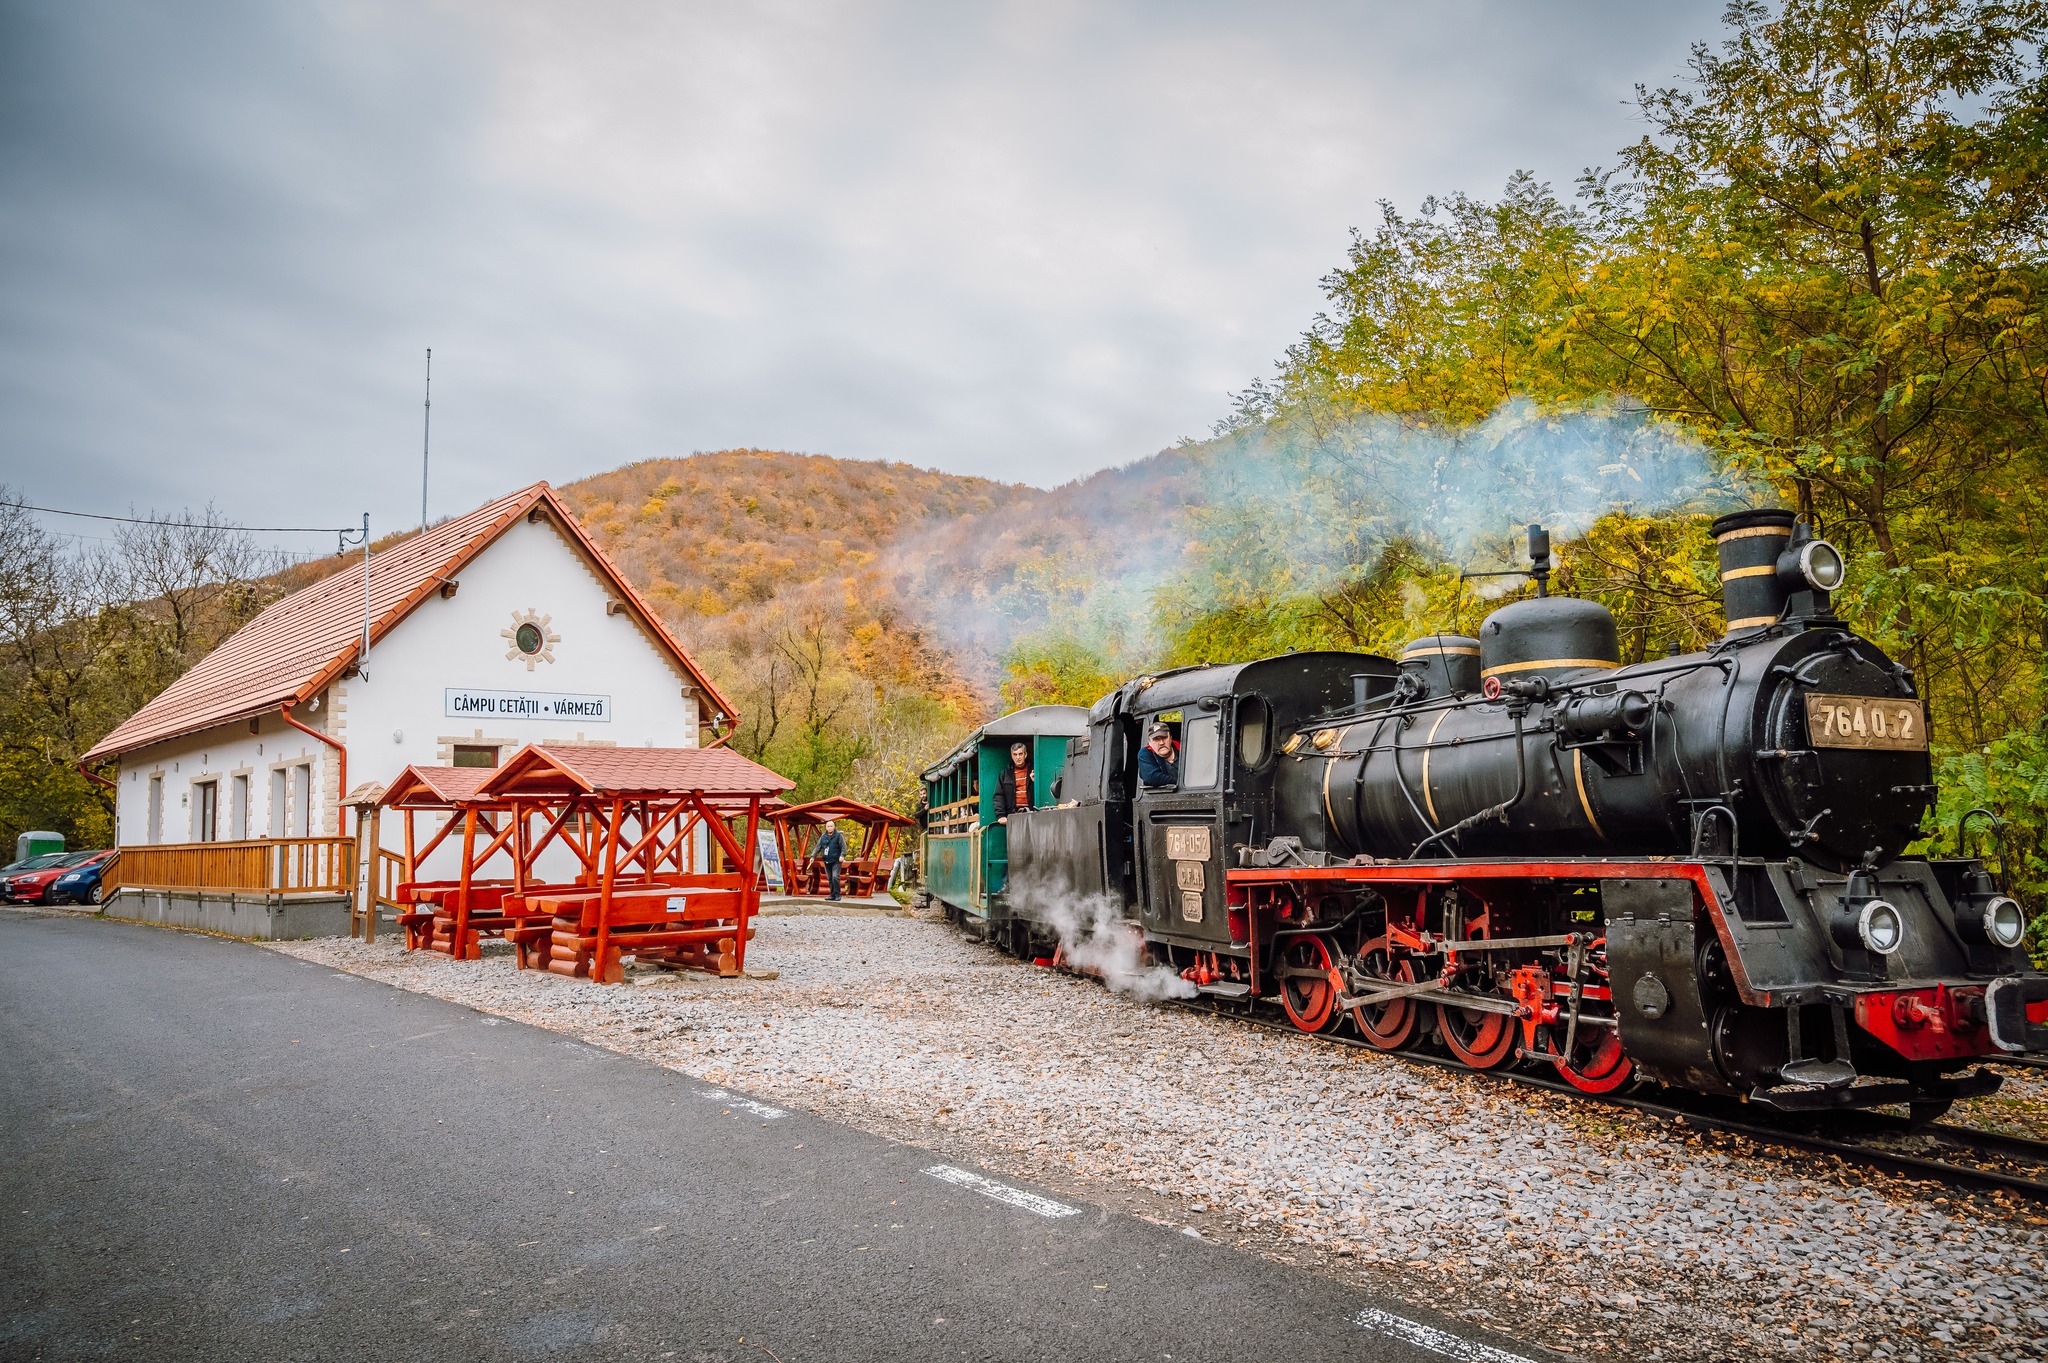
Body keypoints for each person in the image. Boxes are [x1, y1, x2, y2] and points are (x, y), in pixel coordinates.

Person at [993, 741, 1032, 824]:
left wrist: (1034, 782)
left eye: (1020, 754)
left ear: (1025, 755)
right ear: (1012, 756)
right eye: (1015, 754)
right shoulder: (1004, 774)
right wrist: (1001, 815)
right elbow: (999, 795)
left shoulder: (1034, 771)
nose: (1018, 757)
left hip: (1032, 815)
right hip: (1013, 817)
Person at [815, 818, 848, 900]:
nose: (830, 828)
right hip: (827, 860)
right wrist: (813, 856)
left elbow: (844, 847)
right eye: (828, 826)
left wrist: (842, 855)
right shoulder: (823, 836)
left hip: (836, 860)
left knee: (835, 876)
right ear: (826, 827)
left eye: (831, 826)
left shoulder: (839, 835)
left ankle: (838, 895)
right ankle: (832, 894)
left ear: (834, 827)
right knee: (830, 878)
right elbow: (818, 847)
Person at [1139, 723, 1178, 788]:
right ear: (1149, 742)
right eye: (1156, 739)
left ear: (1170, 738)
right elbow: (1151, 778)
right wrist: (1180, 782)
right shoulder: (1145, 753)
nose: (1161, 742)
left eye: (1164, 738)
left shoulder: (1184, 748)